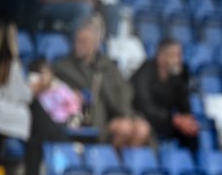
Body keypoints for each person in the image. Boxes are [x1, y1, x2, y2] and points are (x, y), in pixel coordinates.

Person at [52, 17, 151, 148]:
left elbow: (124, 91)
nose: (78, 45)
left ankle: (124, 165)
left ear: (96, 44)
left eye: (84, 41)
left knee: (142, 129)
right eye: (77, 41)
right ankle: (111, 162)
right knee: (124, 128)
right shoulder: (63, 68)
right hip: (91, 118)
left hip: (118, 113)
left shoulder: (108, 66)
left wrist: (125, 114)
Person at [131, 39, 199, 154]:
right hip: (143, 118)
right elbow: (144, 106)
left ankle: (191, 166)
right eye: (174, 55)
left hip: (167, 122)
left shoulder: (179, 75)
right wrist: (173, 119)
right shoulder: (144, 73)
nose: (178, 60)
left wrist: (186, 119)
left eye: (179, 55)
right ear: (161, 57)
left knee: (190, 131)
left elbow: (184, 105)